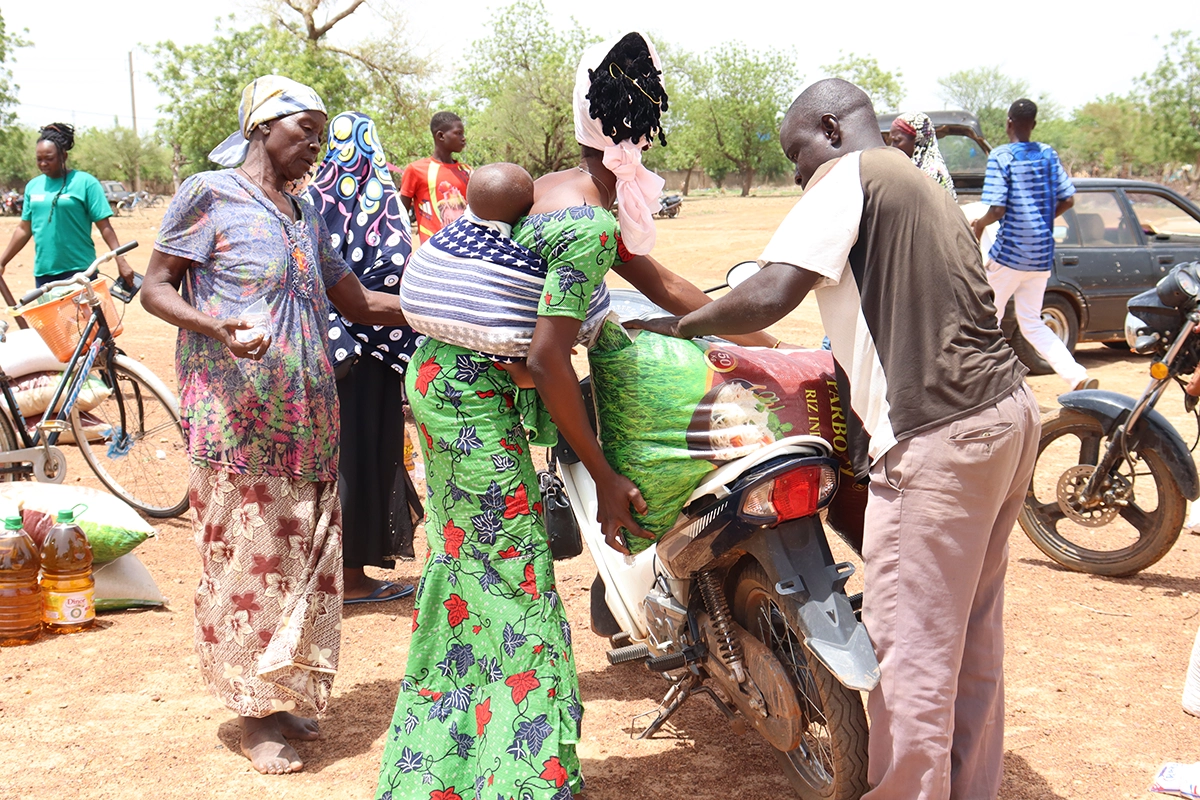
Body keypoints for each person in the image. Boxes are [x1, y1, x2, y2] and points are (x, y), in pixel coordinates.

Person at [375, 32, 774, 800]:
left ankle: (470, 760)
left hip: (456, 384)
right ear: (640, 139)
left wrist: (772, 344)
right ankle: (519, 775)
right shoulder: (585, 225)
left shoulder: (567, 188)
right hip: (472, 401)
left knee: (480, 569)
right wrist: (606, 474)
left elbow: (665, 287)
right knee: (510, 576)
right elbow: (553, 359)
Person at [629, 78, 1040, 800]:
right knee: (971, 641)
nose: (795, 171)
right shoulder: (919, 181)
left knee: (909, 650)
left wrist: (680, 326)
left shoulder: (847, 174)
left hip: (938, 432)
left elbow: (772, 292)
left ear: (832, 127)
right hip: (1004, 415)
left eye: (796, 152)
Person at [140, 75, 409, 776]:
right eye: (304, 131)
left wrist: (453, 308)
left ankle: (282, 693)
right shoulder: (210, 193)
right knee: (247, 566)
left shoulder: (304, 211)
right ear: (263, 128)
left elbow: (358, 301)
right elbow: (155, 286)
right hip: (236, 418)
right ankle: (251, 717)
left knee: (299, 564)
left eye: (320, 133)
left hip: (310, 415)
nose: (314, 145)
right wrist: (214, 325)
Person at [306, 110, 423, 604]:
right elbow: (398, 269)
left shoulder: (307, 202)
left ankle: (321, 570)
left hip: (319, 352)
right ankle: (350, 579)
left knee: (328, 460)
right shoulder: (382, 206)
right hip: (373, 355)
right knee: (360, 458)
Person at [971, 99, 1094, 391]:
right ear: (1034, 124)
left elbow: (997, 209)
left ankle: (987, 383)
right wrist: (1039, 217)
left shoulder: (1002, 156)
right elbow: (1068, 199)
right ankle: (1077, 376)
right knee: (1031, 322)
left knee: (988, 317)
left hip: (1011, 253)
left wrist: (980, 224)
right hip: (1040, 255)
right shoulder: (1048, 155)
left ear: (1008, 123)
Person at [0, 123, 135, 286]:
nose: (43, 164)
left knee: (88, 312)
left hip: (81, 271)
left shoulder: (86, 183)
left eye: (49, 159)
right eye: (39, 159)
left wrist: (120, 259)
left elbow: (104, 226)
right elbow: (23, 229)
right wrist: (2, 261)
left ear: (64, 156)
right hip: (45, 275)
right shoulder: (32, 187)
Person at [400, 111, 471, 243]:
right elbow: (401, 213)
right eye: (458, 133)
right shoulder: (416, 170)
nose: (463, 137)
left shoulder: (467, 171)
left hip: (465, 247)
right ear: (441, 136)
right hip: (432, 248)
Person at [888, 111, 956, 197]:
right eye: (891, 142)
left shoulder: (931, 175)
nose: (892, 147)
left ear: (918, 140)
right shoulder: (909, 169)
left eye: (897, 141)